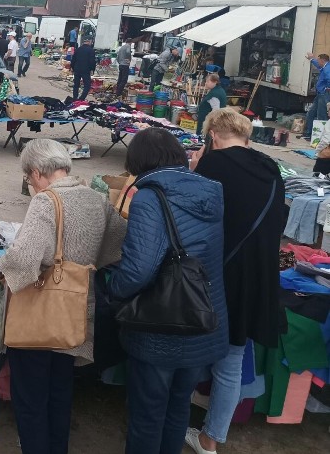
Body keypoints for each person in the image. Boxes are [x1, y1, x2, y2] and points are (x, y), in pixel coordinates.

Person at [0, 139, 126, 454]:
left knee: (31, 398)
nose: (30, 184)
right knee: (60, 392)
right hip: (78, 312)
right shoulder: (97, 199)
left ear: (38, 172)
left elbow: (23, 259)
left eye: (28, 178)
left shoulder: (46, 201)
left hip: (41, 315)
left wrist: (1, 266)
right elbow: (118, 245)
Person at [106, 128, 228, 454]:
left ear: (139, 160)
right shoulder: (212, 191)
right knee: (178, 407)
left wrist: (113, 290)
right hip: (202, 317)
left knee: (148, 414)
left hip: (161, 326)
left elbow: (138, 269)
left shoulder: (150, 197)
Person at [185, 109, 284, 454]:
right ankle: (210, 441)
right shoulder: (271, 169)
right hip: (257, 281)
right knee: (230, 364)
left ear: (213, 135)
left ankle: (174, 422)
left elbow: (193, 219)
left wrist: (194, 172)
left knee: (189, 355)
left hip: (215, 279)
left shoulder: (213, 166)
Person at [303, 52, 330, 140]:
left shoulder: (327, 69)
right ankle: (309, 134)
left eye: (318, 60)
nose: (317, 62)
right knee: (311, 113)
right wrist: (311, 59)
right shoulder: (324, 67)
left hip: (323, 94)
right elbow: (317, 65)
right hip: (320, 94)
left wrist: (327, 88)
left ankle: (321, 137)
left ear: (322, 60)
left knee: (321, 116)